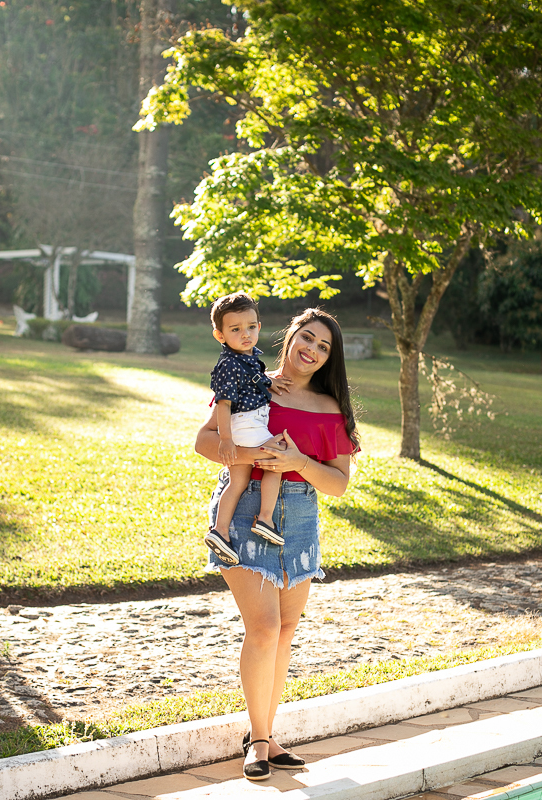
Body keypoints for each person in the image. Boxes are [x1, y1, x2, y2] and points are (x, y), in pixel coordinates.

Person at [195, 307, 359, 781]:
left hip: (301, 516)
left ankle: (263, 732)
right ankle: (260, 742)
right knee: (264, 627)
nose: (311, 349)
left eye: (323, 346)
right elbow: (205, 442)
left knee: (286, 628)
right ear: (289, 337)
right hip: (246, 508)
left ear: (330, 358)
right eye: (306, 337)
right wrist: (259, 456)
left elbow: (338, 483)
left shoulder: (332, 409)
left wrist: (296, 459)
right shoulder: (252, 380)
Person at [205, 292, 293, 567]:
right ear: (220, 335)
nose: (246, 334)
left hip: (248, 421)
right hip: (244, 422)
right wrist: (226, 441)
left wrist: (268, 383)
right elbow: (223, 403)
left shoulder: (245, 358)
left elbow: (251, 376)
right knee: (277, 457)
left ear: (258, 325)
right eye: (235, 329)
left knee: (239, 481)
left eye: (251, 327)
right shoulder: (229, 364)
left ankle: (220, 531)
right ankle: (265, 518)